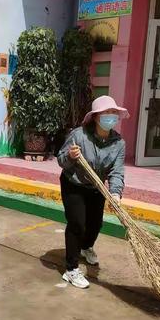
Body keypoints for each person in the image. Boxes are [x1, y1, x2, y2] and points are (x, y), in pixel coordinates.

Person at [57, 95, 129, 289]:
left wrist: (115, 193)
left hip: (96, 187)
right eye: (107, 113)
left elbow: (117, 171)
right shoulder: (79, 135)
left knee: (95, 225)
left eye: (114, 113)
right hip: (74, 183)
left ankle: (86, 247)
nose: (111, 117)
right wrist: (71, 156)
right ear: (96, 117)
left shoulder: (118, 143)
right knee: (77, 224)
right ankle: (71, 270)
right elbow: (61, 160)